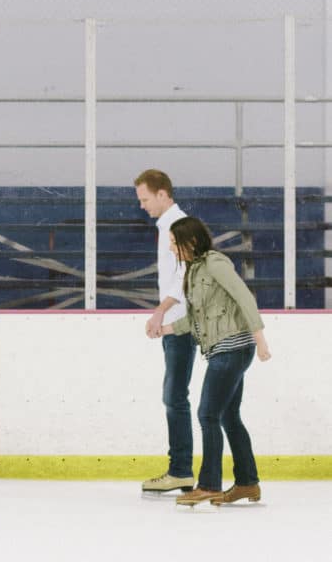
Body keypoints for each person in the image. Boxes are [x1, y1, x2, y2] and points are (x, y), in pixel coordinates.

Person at [161, 215, 271, 506]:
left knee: (207, 414)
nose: (172, 249)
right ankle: (248, 483)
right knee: (228, 417)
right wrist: (165, 328)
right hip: (224, 349)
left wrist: (261, 340)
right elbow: (196, 317)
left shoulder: (214, 263)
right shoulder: (194, 271)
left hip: (233, 347)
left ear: (191, 241)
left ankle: (209, 484)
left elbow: (244, 296)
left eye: (175, 243)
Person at [135, 169, 195, 493]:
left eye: (145, 199)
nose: (142, 205)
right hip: (173, 322)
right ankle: (181, 468)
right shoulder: (166, 225)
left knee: (175, 396)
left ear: (163, 194)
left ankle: (181, 469)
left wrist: (159, 312)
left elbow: (185, 275)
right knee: (174, 395)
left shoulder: (178, 225)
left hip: (180, 323)